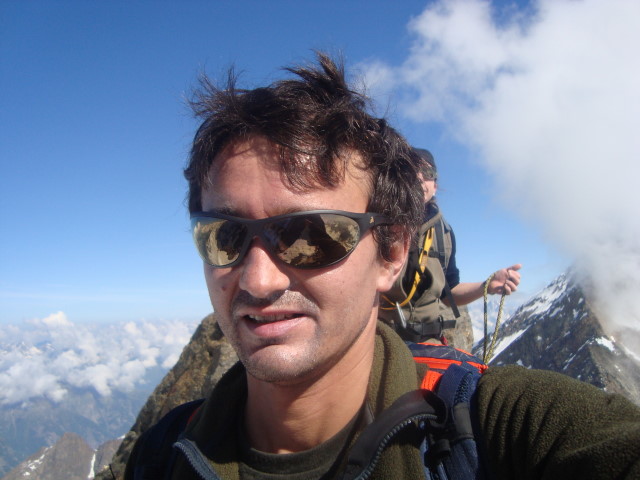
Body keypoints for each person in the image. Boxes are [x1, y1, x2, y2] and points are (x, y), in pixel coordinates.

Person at [124, 53, 640, 479]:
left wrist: (484, 288)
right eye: (224, 235)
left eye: (311, 236)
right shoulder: (160, 454)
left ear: (391, 253)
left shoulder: (491, 430)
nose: (259, 279)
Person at [379, 148, 522, 344]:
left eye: (427, 173)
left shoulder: (443, 233)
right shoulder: (379, 222)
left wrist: (487, 285)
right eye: (410, 171)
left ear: (435, 186)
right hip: (380, 339)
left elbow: (449, 294)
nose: (419, 178)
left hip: (428, 341)